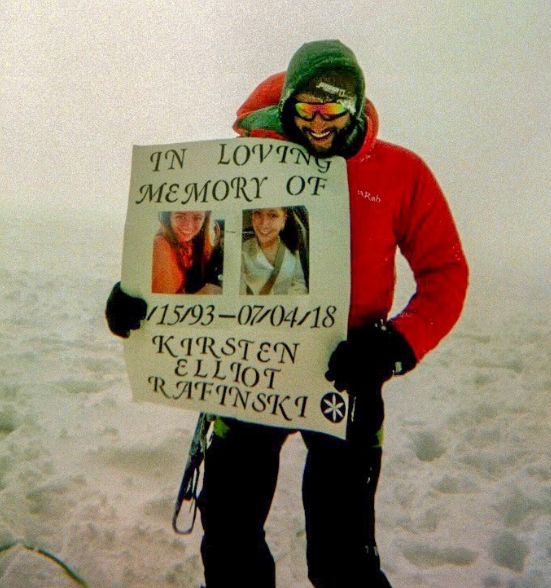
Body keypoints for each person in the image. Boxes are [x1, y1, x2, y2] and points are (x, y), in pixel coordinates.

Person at [105, 40, 468, 588]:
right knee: (229, 539)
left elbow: (446, 273)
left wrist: (396, 346)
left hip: (348, 373)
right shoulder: (243, 165)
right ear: (287, 105)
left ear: (358, 104)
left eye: (334, 110)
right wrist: (141, 300)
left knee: (344, 555)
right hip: (246, 372)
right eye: (306, 109)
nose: (319, 123)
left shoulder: (400, 172)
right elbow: (197, 255)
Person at [152, 210, 223, 295]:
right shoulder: (159, 247)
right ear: (168, 217)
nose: (188, 226)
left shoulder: (194, 241)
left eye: (197, 218)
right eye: (180, 216)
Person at [240, 206, 308, 295]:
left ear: (283, 219)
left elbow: (299, 286)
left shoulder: (292, 248)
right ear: (252, 217)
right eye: (258, 213)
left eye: (273, 215)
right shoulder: (242, 252)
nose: (264, 224)